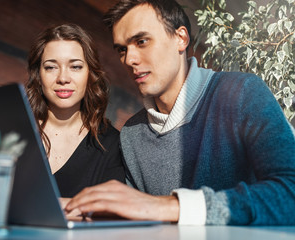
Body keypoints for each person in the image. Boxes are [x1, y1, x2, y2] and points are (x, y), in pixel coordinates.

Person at [65, 0, 295, 225]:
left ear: (181, 38)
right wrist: (69, 207)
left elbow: (290, 191)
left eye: (142, 41)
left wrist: (171, 205)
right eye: (122, 50)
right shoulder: (132, 133)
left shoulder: (242, 92)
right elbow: (136, 216)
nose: (129, 59)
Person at [26, 23, 125, 198]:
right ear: (38, 75)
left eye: (75, 67)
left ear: (90, 74)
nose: (63, 78)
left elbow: (110, 214)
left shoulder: (112, 144)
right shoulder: (16, 133)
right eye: (51, 67)